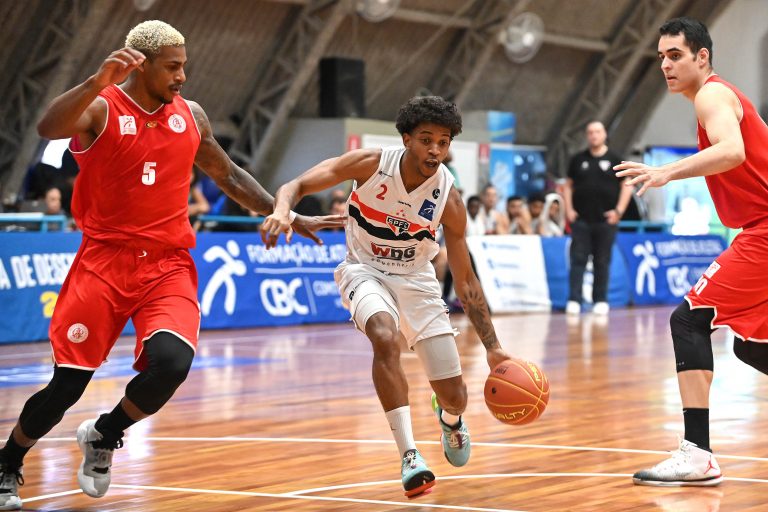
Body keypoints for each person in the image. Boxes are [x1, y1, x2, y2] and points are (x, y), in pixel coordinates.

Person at [0, 20, 341, 510]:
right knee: (67, 387)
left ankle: (104, 434)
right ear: (141, 66)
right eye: (173, 67)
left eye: (184, 66)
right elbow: (47, 128)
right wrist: (96, 81)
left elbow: (228, 175)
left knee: (173, 364)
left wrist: (283, 211)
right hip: (104, 262)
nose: (182, 76)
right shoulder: (102, 107)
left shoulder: (191, 116)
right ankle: (8, 460)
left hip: (167, 264)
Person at [260, 96, 511, 497]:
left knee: (457, 397)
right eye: (426, 140)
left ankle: (449, 419)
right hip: (364, 270)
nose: (435, 150)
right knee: (383, 334)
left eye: (443, 142)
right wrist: (282, 211)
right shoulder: (370, 164)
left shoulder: (448, 199)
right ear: (406, 139)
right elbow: (297, 185)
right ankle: (410, 455)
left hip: (418, 281)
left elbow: (465, 280)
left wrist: (493, 347)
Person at [615, 16, 768, 487]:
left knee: (688, 319)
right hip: (757, 229)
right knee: (750, 345)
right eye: (661, 57)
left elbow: (732, 151)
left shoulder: (711, 95)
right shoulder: (720, 98)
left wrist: (667, 171)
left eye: (676, 55)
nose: (666, 65)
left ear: (703, 57)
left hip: (765, 231)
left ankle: (697, 453)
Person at [563, 120, 633, 316]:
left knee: (602, 261)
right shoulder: (578, 160)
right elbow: (567, 186)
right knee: (578, 260)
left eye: (597, 132)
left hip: (605, 221)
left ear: (604, 134)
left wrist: (618, 211)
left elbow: (627, 185)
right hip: (581, 220)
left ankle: (600, 300)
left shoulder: (615, 160)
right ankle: (574, 299)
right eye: (590, 132)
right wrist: (569, 210)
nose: (594, 135)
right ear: (587, 136)